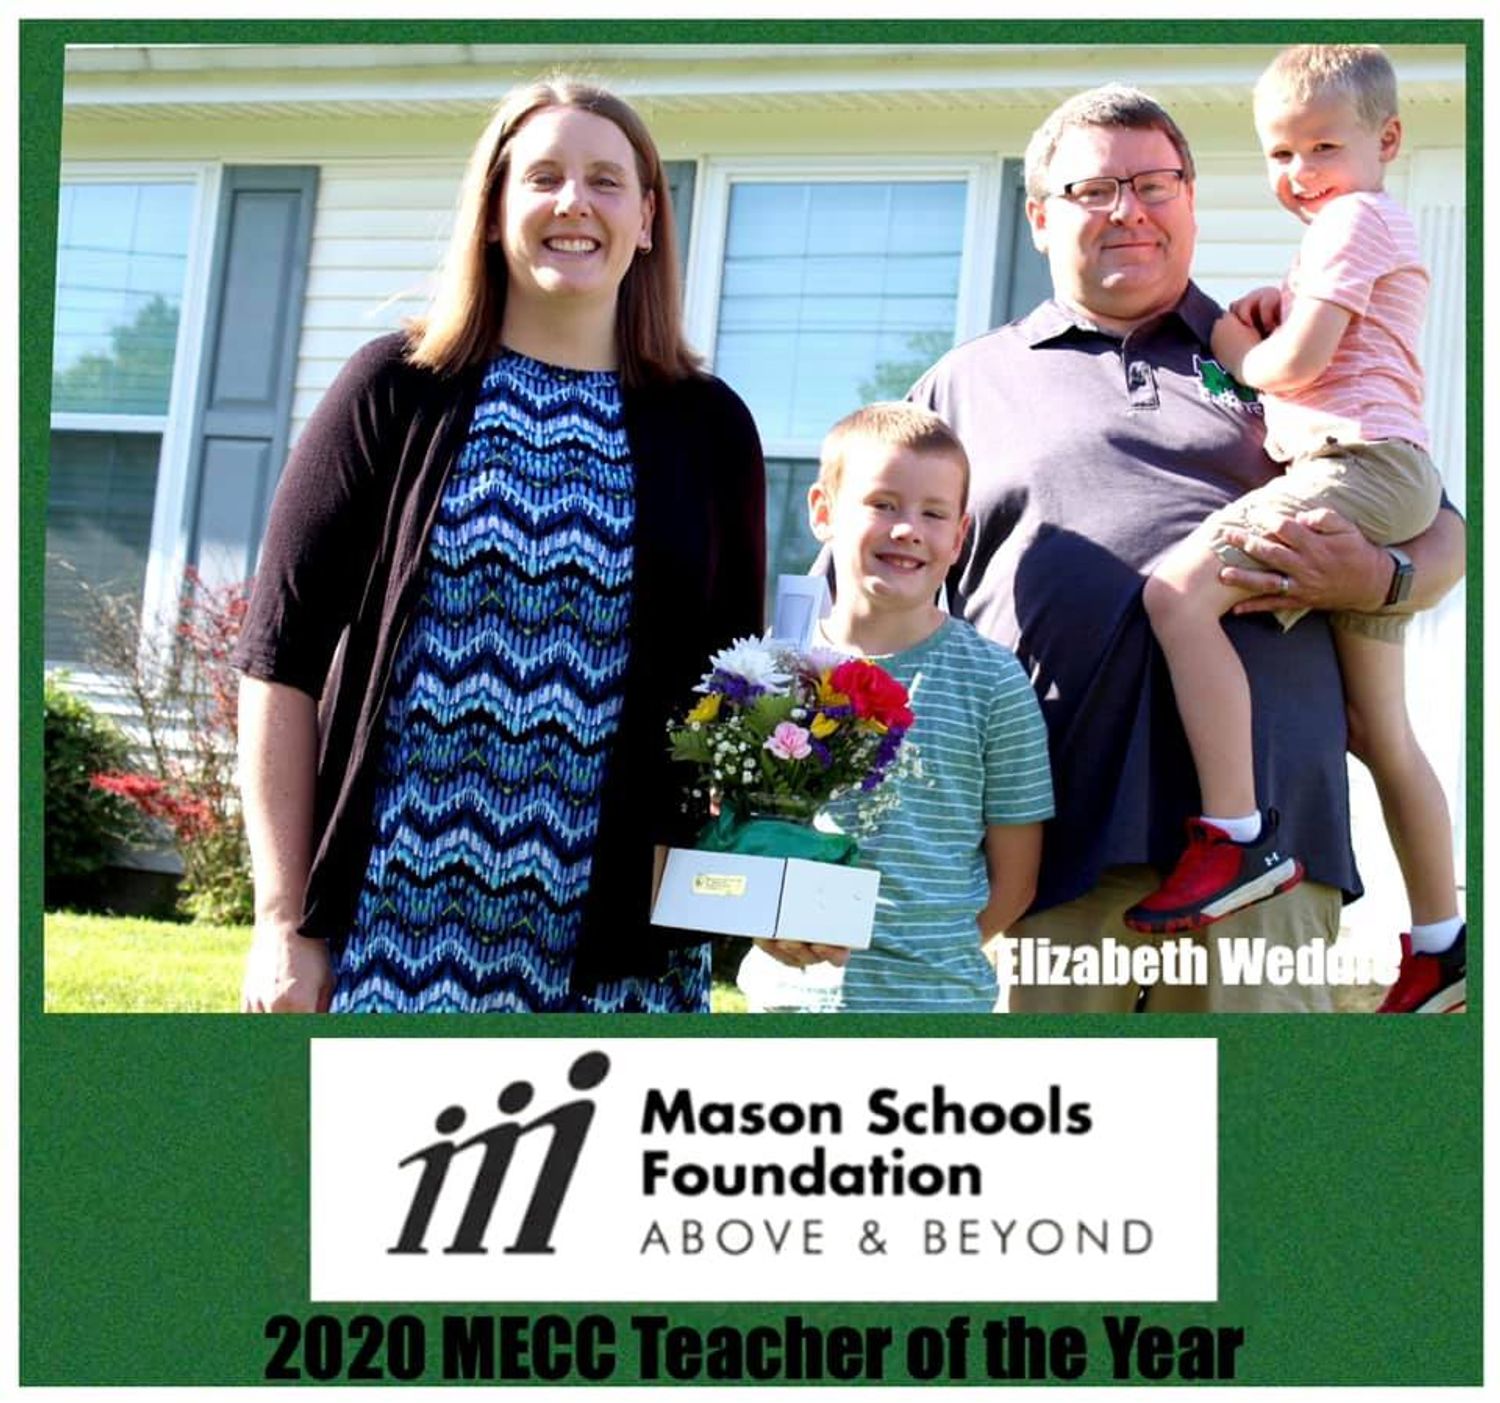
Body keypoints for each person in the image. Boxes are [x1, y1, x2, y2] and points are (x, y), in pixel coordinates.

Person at [908, 83, 1465, 1013]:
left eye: (1156, 183)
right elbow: (873, 612)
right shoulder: (963, 384)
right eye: (1094, 191)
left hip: (1272, 875)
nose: (1129, 209)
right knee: (1049, 1140)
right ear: (1041, 218)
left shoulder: (1283, 347)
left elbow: (1437, 528)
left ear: (1192, 201)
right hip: (1046, 858)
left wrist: (1381, 577)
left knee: (1253, 1151)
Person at [232, 77, 765, 1013]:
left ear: (646, 218)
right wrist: (283, 922)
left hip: (620, 949)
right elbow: (280, 662)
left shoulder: (710, 428)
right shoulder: (398, 389)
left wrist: (768, 891)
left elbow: (735, 707)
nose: (574, 203)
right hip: (395, 928)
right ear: (491, 211)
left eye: (606, 181)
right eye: (543, 176)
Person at [1125, 45, 1462, 1011]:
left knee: (1176, 596)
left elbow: (1289, 366)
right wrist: (1279, 314)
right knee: (1377, 726)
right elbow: (1327, 341)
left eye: (1323, 146)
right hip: (1390, 467)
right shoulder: (1353, 228)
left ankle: (1234, 836)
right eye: (1279, 154)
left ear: (1387, 139)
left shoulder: (1354, 219)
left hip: (1354, 467)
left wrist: (1226, 334)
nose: (1300, 174)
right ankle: (1441, 942)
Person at [737, 404, 1053, 1013]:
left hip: (935, 1004)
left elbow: (1016, 881)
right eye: (882, 504)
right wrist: (767, 918)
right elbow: (742, 832)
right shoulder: (773, 668)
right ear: (823, 512)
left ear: (959, 537)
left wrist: (925, 956)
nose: (908, 529)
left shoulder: (992, 682)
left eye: (933, 514)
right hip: (784, 1001)